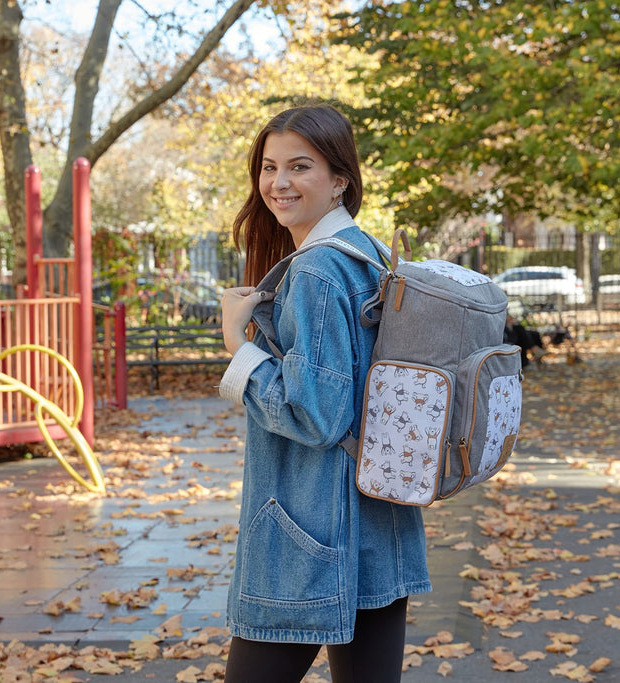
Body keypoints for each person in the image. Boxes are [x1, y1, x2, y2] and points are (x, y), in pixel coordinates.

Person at [217, 103, 432, 683]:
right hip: (377, 523)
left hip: (308, 533)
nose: (278, 183)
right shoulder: (371, 257)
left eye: (300, 166)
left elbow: (316, 416)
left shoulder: (315, 273)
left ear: (340, 179)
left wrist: (239, 348)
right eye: (268, 167)